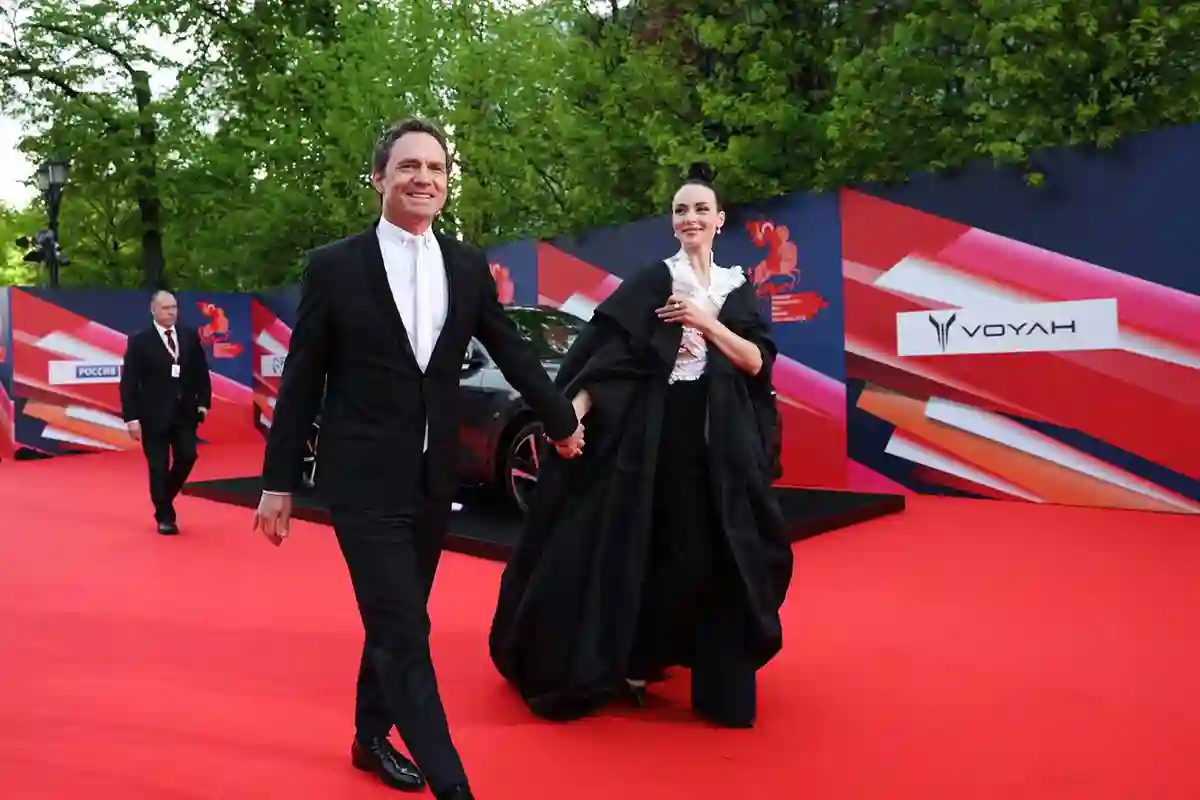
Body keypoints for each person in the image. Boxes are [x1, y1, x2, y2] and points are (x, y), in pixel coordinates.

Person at [254, 117, 584, 800]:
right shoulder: (334, 266)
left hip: (434, 479)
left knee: (392, 619)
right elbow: (303, 377)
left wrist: (559, 419)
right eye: (408, 166)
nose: (423, 178)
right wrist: (278, 480)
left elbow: (510, 349)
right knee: (405, 629)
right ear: (379, 178)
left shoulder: (465, 265)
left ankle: (369, 735)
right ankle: (452, 783)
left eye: (435, 168)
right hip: (361, 480)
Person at [488, 161, 793, 728]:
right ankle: (633, 660)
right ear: (672, 221)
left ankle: (713, 667)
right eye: (681, 210)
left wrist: (704, 322)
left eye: (701, 208)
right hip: (654, 434)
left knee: (725, 549)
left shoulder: (736, 288)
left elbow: (756, 362)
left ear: (720, 219)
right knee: (645, 543)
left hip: (723, 440)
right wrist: (569, 419)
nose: (690, 217)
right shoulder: (654, 282)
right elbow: (606, 364)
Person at [120, 290, 212, 535]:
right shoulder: (140, 341)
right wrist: (131, 418)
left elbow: (201, 372)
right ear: (154, 310)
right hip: (153, 415)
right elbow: (129, 382)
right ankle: (165, 517)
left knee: (188, 456)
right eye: (166, 308)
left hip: (184, 412)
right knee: (158, 467)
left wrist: (203, 402)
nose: (171, 312)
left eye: (174, 307)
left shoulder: (189, 336)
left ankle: (164, 497)